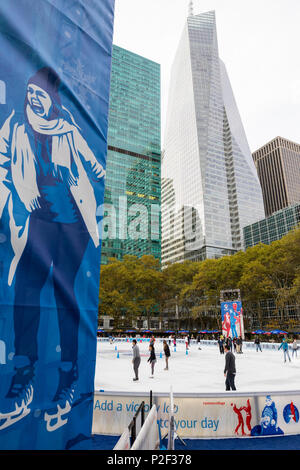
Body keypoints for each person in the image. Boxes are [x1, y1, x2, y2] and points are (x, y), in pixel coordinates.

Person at [0, 67, 105, 428]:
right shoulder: (16, 126)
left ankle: (68, 375)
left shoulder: (68, 131)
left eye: (40, 95)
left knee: (65, 296)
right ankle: (24, 372)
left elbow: (95, 166)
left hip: (73, 225)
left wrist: (109, 189)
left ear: (52, 100)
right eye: (30, 93)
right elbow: (1, 159)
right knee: (27, 289)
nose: (33, 99)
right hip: (39, 220)